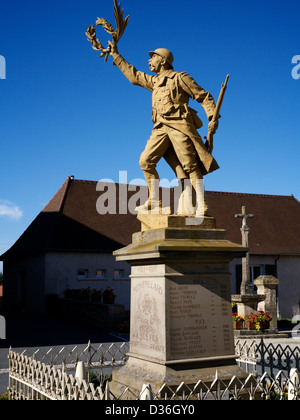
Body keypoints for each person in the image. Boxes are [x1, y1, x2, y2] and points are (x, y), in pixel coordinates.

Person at [109, 43, 219, 216]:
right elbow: (134, 76)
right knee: (146, 161)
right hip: (160, 127)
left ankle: (201, 204)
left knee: (189, 165)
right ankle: (154, 201)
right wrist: (116, 55)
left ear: (163, 61)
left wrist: (212, 116)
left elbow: (203, 96)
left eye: (153, 57)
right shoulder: (155, 81)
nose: (149, 60)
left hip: (179, 125)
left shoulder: (179, 78)